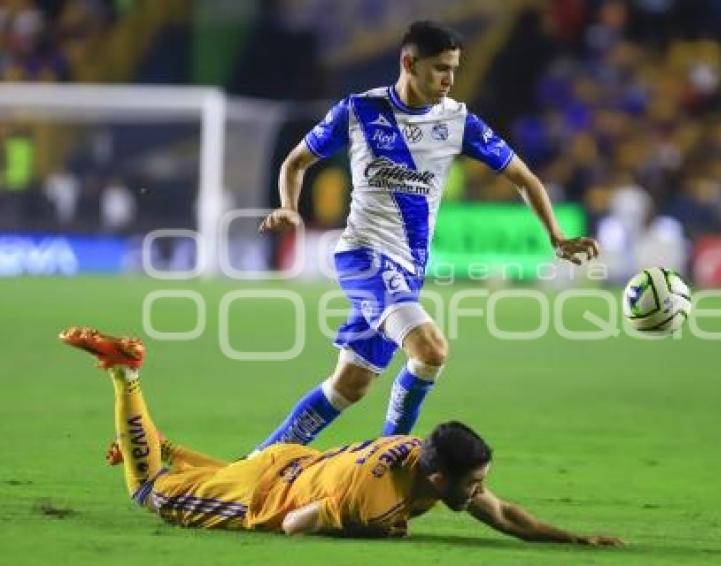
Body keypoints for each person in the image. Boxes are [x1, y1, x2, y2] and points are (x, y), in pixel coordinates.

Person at [256, 21, 600, 449]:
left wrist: (556, 234)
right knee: (431, 350)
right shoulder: (359, 110)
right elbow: (296, 161)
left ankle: (258, 461)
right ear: (408, 63)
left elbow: (523, 177)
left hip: (407, 269)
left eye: (454, 69)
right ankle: (388, 459)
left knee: (349, 386)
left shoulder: (457, 121)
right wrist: (289, 206)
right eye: (440, 69)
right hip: (364, 256)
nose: (449, 80)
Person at [59, 327, 621, 546]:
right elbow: (297, 523)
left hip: (286, 462)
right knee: (151, 493)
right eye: (473, 484)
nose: (479, 494)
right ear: (437, 477)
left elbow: (505, 516)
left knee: (194, 469)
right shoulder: (372, 505)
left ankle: (156, 440)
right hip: (270, 495)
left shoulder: (420, 455)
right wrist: (365, 533)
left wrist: (572, 538)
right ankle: (125, 371)